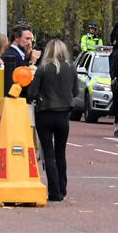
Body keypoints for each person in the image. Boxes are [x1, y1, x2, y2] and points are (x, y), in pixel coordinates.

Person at [27, 39, 77, 202]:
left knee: (48, 153)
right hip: (63, 115)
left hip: (45, 113)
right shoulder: (71, 68)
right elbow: (75, 91)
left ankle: (54, 192)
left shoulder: (42, 69)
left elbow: (31, 94)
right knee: (60, 153)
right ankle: (62, 189)